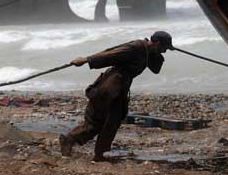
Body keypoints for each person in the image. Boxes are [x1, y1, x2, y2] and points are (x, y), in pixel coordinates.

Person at [60, 31, 174, 162]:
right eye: (164, 48)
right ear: (157, 43)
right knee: (104, 122)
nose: (164, 52)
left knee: (106, 122)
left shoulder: (148, 52)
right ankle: (92, 151)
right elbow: (111, 54)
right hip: (109, 88)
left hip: (118, 89)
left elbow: (156, 69)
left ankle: (81, 145)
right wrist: (86, 60)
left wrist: (161, 51)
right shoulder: (136, 47)